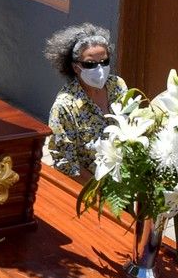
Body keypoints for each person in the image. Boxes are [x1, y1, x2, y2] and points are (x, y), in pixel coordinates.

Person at [41, 23, 128, 180]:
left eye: (104, 62)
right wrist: (100, 192)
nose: (99, 69)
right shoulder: (65, 107)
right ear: (75, 67)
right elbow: (66, 163)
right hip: (89, 189)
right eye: (90, 64)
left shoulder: (118, 86)